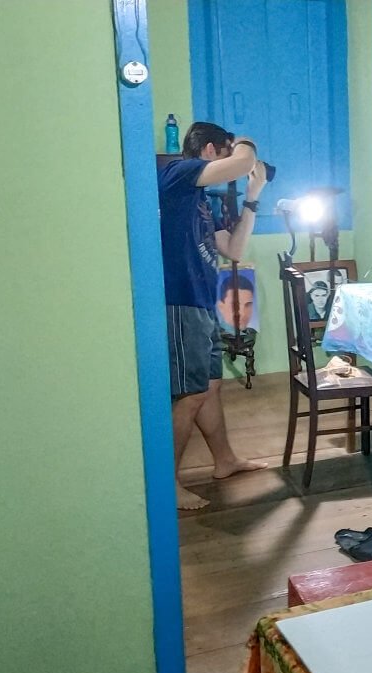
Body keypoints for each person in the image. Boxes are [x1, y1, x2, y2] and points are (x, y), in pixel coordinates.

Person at [159, 122, 271, 510]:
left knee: (208, 387)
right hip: (180, 300)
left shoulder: (202, 202)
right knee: (189, 394)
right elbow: (242, 162)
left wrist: (254, 196)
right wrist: (245, 142)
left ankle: (224, 460)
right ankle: (166, 483)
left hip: (202, 303)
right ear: (210, 150)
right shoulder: (179, 173)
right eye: (225, 151)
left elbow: (234, 249)